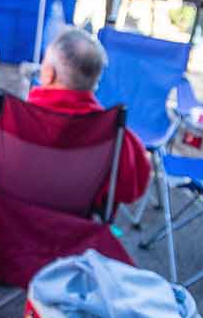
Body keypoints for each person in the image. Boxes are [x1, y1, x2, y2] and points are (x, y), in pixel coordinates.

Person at [29, 27, 151, 208]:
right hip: (75, 233)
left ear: (49, 74)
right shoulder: (118, 138)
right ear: (96, 80)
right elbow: (131, 191)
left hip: (9, 227)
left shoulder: (12, 119)